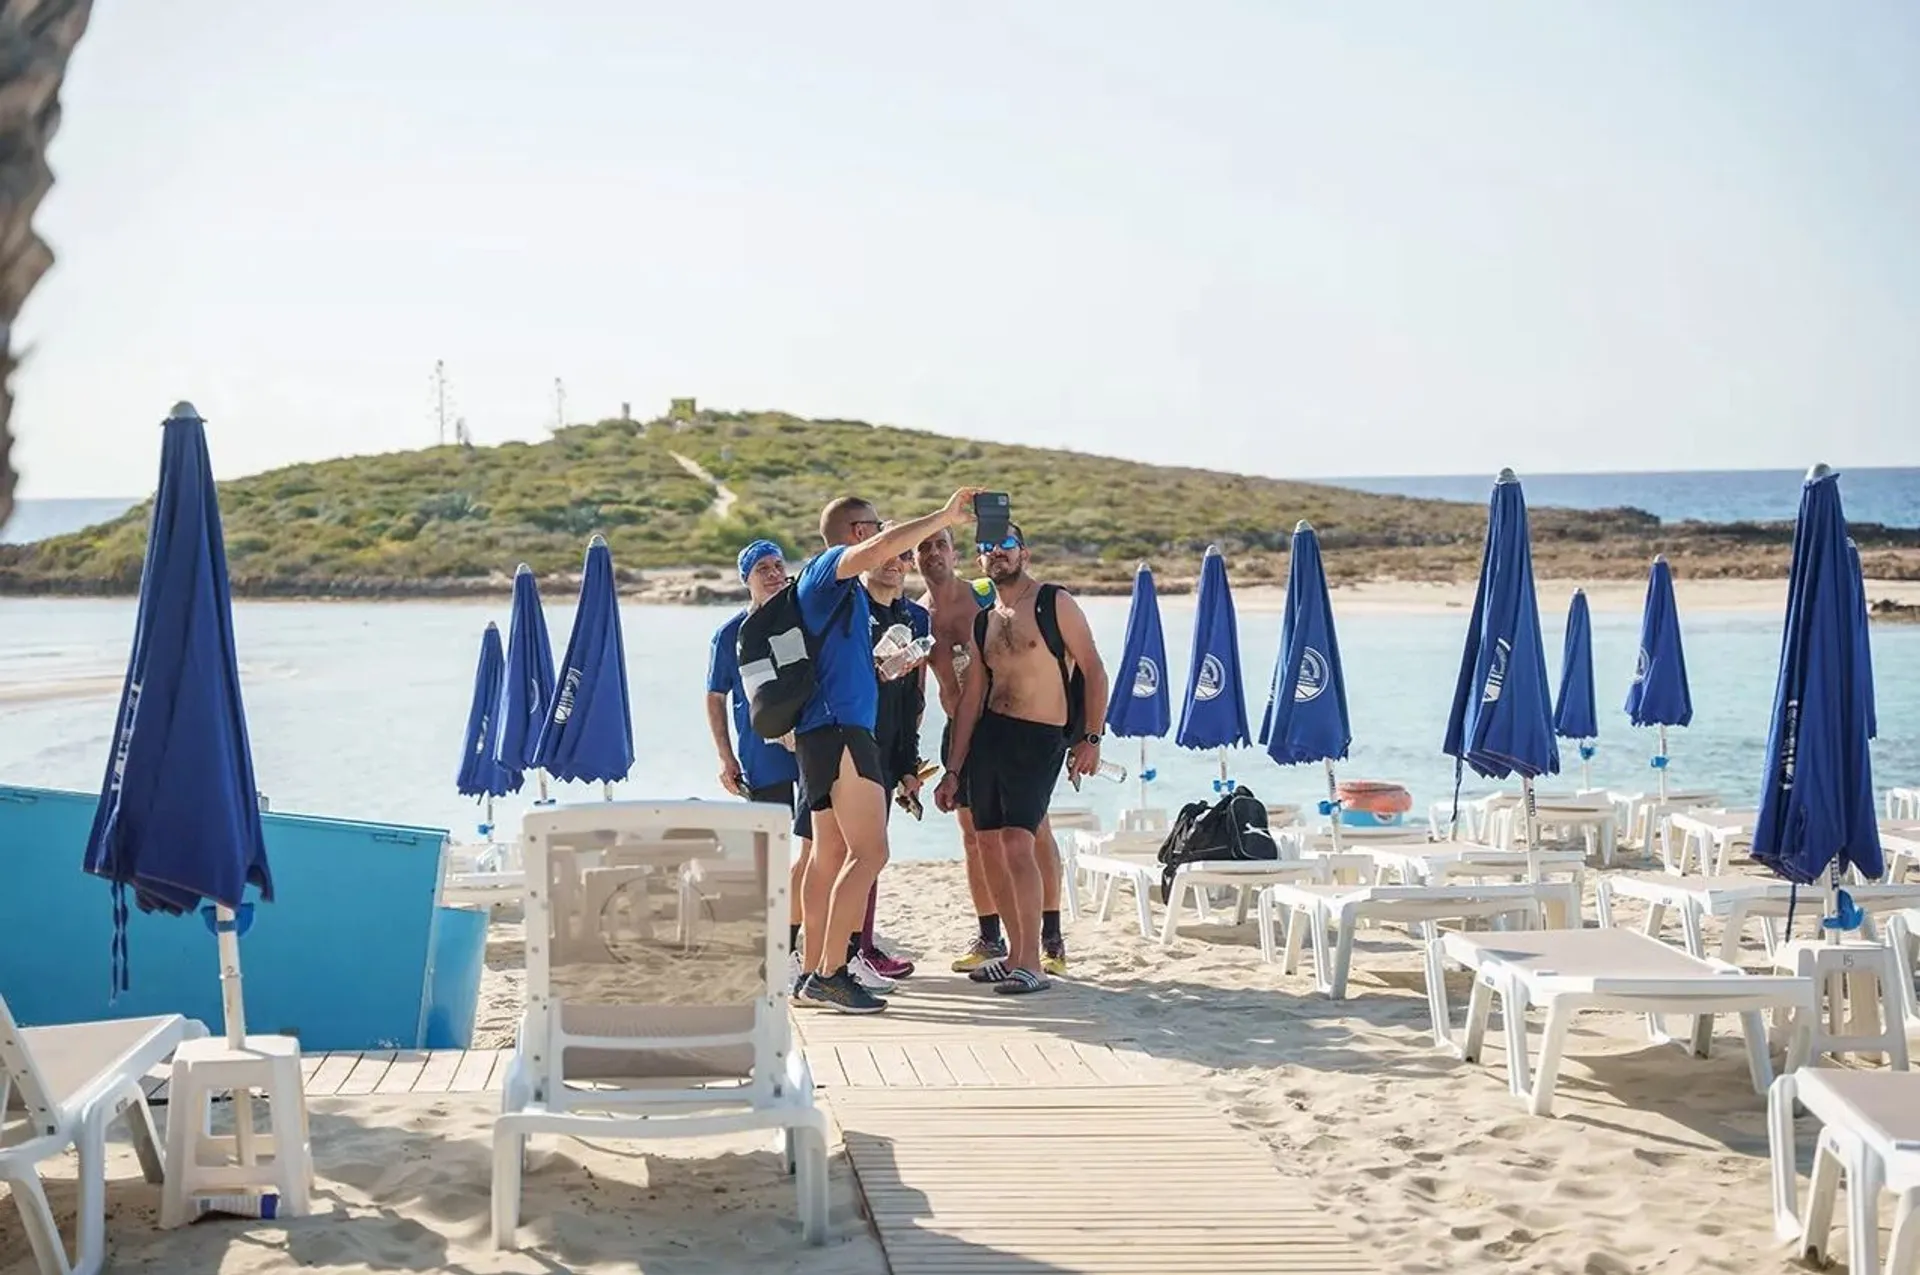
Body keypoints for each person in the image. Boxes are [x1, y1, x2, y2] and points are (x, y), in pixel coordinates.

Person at [794, 487, 981, 1013]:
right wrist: (942, 516)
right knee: (871, 852)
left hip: (823, 730)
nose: (883, 538)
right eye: (874, 527)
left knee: (829, 854)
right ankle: (830, 973)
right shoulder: (830, 569)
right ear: (858, 535)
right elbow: (878, 552)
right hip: (840, 729)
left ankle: (811, 971)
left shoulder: (843, 590)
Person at [937, 524, 1108, 994]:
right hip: (990, 737)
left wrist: (1091, 738)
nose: (997, 554)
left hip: (1039, 738)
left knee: (1017, 840)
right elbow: (971, 697)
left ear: (1024, 553)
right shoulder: (983, 619)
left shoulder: (1055, 603)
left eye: (1006, 546)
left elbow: (1093, 668)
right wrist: (953, 769)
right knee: (987, 842)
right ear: (978, 562)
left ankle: (1033, 960)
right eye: (987, 549)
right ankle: (1014, 954)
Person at [917, 527, 1071, 976]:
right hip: (959, 726)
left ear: (955, 551)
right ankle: (991, 937)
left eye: (941, 544)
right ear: (912, 558)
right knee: (973, 835)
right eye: (922, 547)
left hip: (1013, 726)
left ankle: (1051, 939)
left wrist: (1079, 731)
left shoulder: (984, 594)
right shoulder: (917, 615)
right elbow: (918, 689)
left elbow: (1037, 642)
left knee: (1032, 829)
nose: (933, 553)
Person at [704, 540, 811, 991]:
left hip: (808, 750)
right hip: (758, 754)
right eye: (762, 568)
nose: (772, 574)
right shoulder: (730, 633)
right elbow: (716, 697)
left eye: (778, 566)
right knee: (767, 851)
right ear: (745, 578)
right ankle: (762, 945)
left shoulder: (800, 619)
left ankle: (796, 941)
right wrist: (725, 756)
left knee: (813, 845)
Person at [848, 537, 931, 990]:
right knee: (837, 852)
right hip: (843, 744)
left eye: (903, 556)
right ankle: (830, 950)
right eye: (885, 555)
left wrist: (908, 764)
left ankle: (862, 947)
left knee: (872, 853)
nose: (895, 564)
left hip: (888, 748)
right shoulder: (847, 607)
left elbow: (911, 700)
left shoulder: (916, 617)